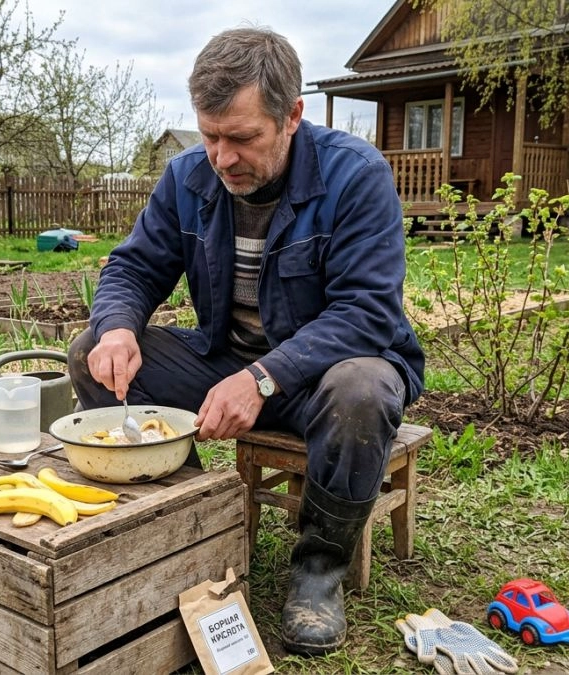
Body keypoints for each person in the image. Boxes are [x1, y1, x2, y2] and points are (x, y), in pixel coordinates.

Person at [67, 26, 425, 656]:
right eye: (209, 136)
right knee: (88, 353)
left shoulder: (355, 175)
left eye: (241, 138)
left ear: (292, 116)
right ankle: (188, 529)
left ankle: (317, 573)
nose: (221, 157)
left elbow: (366, 311)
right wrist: (117, 325)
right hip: (227, 361)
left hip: (327, 376)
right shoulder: (187, 178)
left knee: (362, 391)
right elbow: (133, 267)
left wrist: (263, 379)